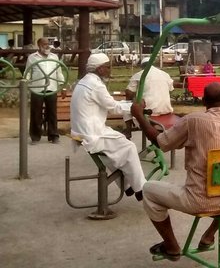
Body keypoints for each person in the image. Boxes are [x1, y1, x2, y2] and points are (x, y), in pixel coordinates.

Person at [130, 82, 220, 261]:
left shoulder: (193, 121)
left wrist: (139, 115)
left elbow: (161, 142)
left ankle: (171, 246)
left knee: (148, 190)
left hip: (199, 201)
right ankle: (208, 235)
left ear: (203, 100)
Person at [70, 53, 146, 201]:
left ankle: (126, 186)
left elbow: (110, 104)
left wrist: (131, 106)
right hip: (92, 133)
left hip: (80, 131)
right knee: (129, 147)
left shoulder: (84, 81)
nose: (110, 70)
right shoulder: (96, 85)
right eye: (107, 67)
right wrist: (136, 108)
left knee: (112, 154)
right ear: (99, 69)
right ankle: (141, 188)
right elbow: (114, 108)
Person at [25, 37, 65, 144]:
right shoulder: (32, 58)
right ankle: (35, 136)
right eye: (44, 44)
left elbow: (59, 72)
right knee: (35, 112)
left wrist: (62, 85)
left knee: (52, 112)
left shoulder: (54, 57)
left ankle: (53, 135)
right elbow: (28, 72)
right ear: (39, 45)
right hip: (37, 88)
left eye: (48, 44)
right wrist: (25, 83)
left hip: (51, 88)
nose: (47, 46)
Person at [122, 57, 174, 139]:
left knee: (124, 105)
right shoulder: (165, 74)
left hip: (148, 112)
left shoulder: (140, 74)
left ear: (142, 66)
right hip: (166, 110)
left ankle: (128, 130)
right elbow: (171, 89)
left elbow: (128, 92)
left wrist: (132, 99)